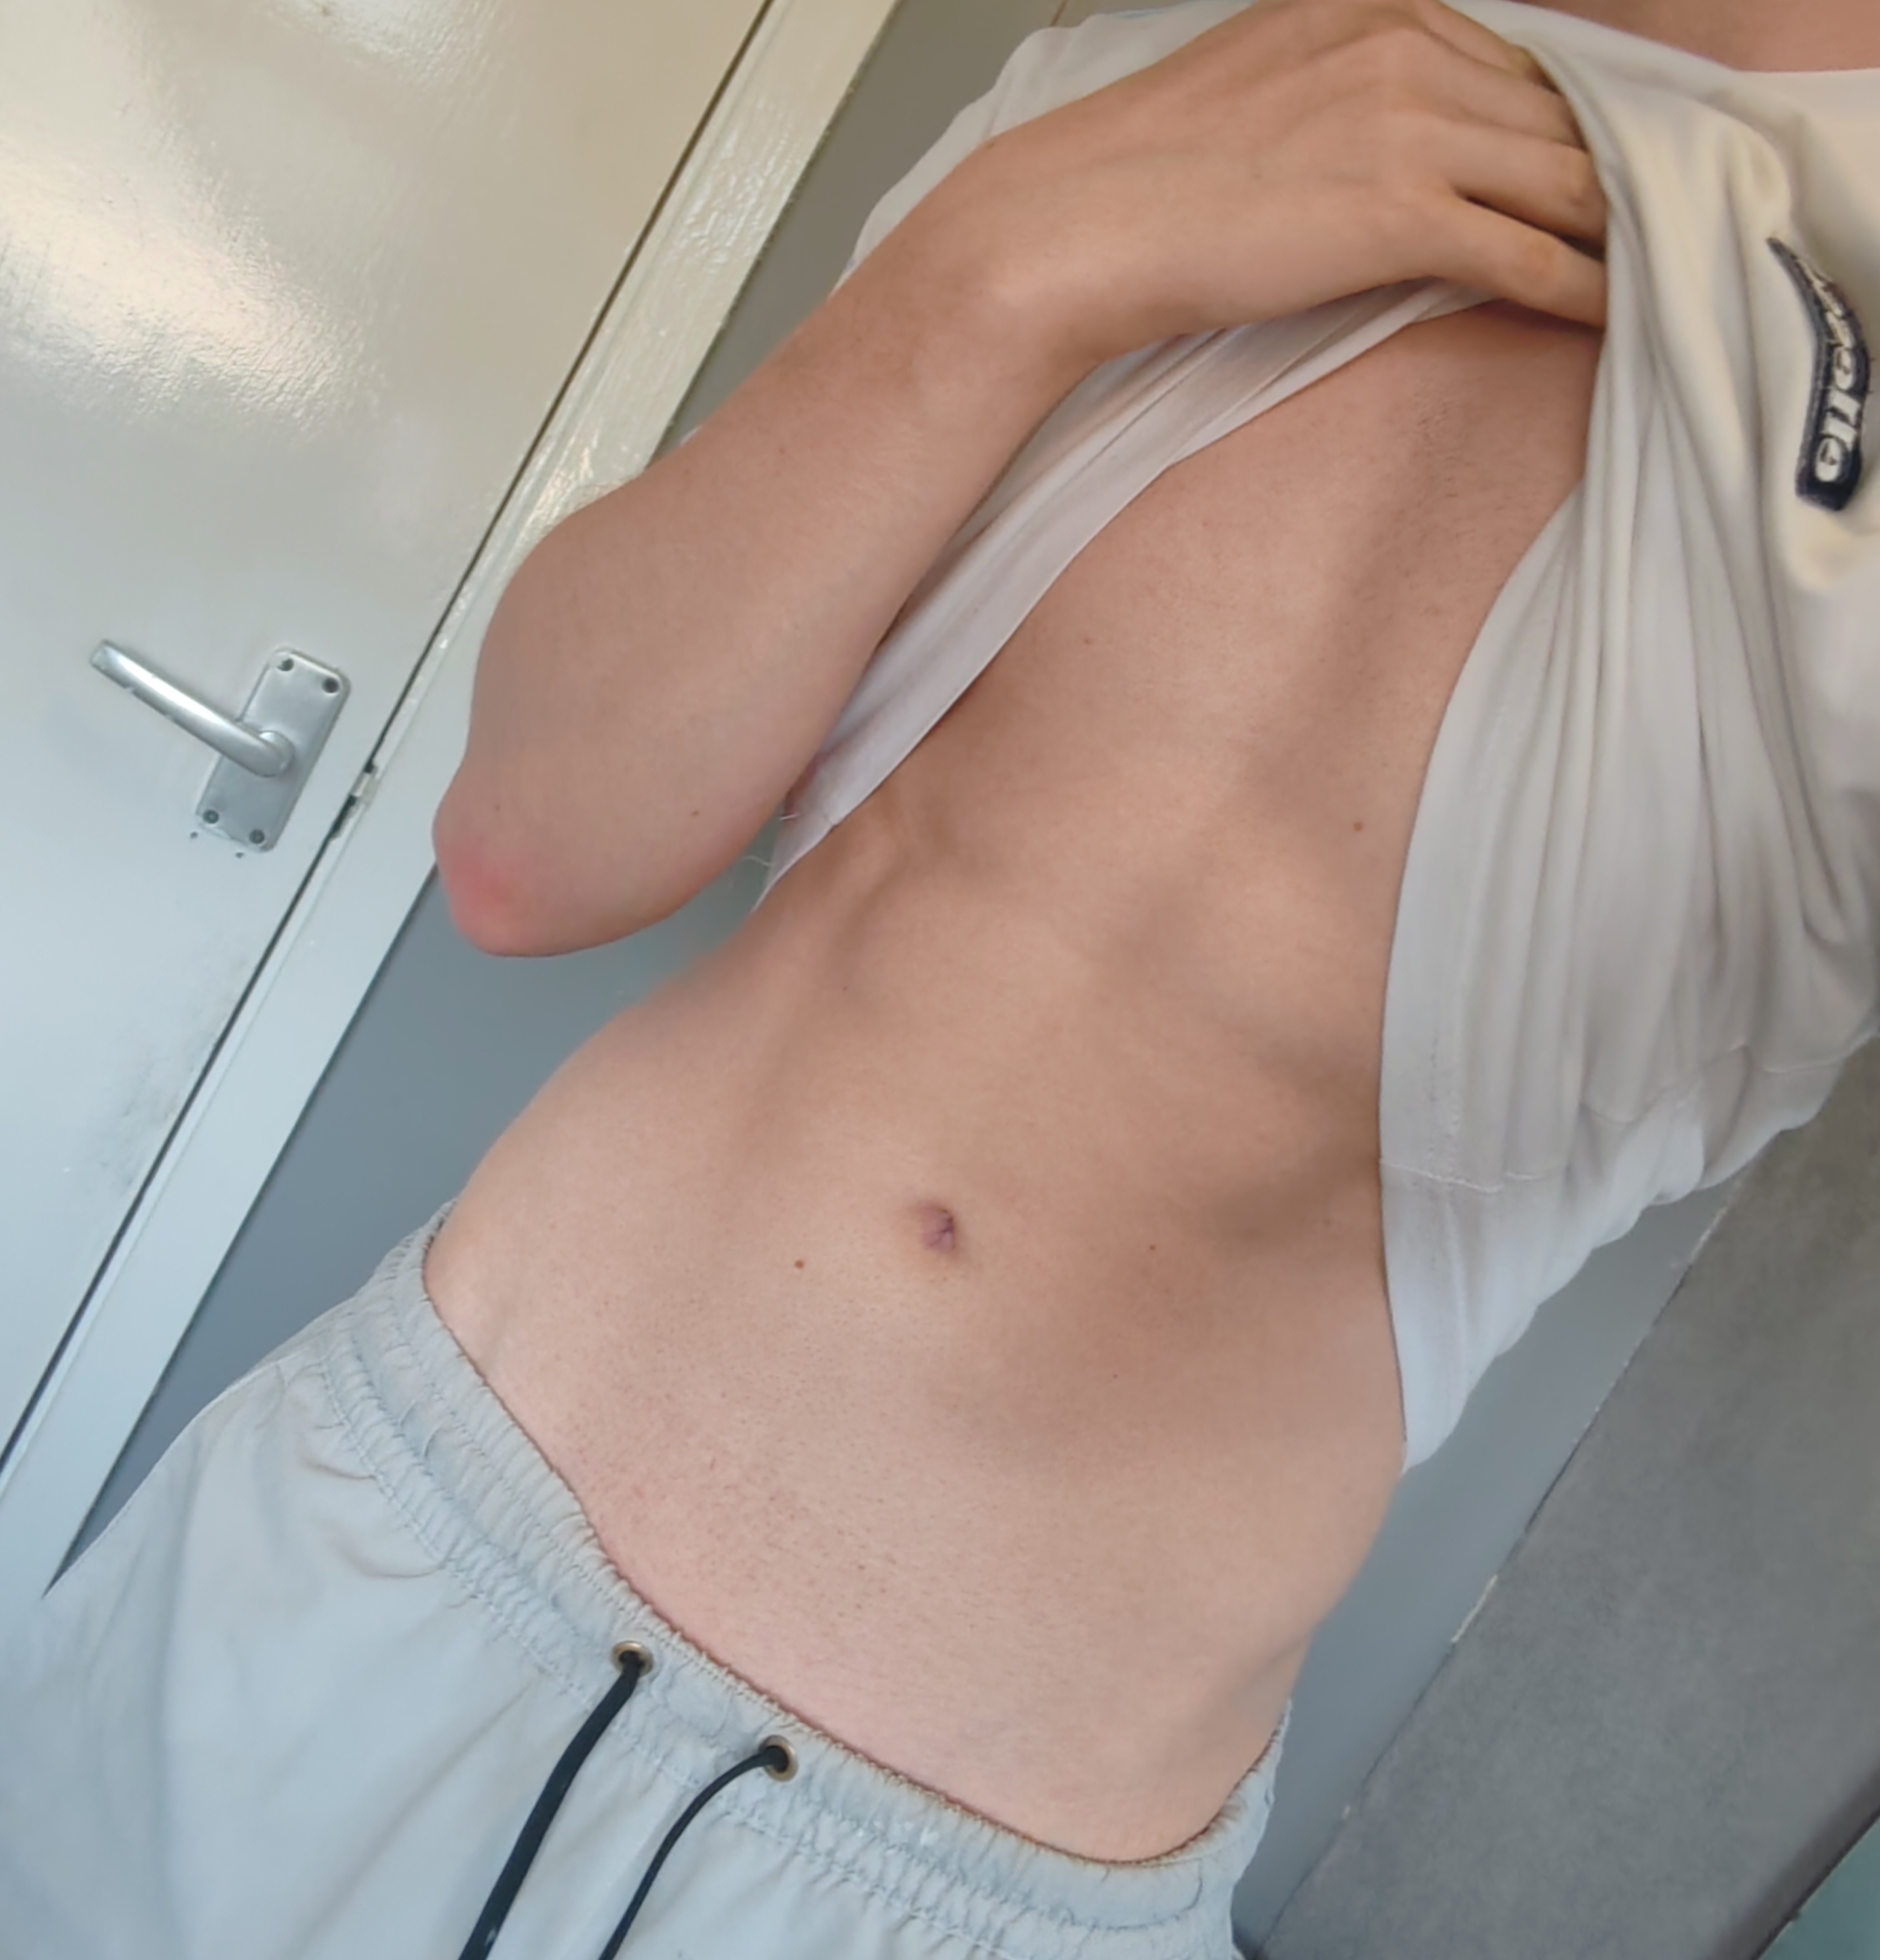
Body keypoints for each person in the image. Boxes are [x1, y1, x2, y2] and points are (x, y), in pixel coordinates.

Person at [3, 1, 1875, 1955]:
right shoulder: (1166, 78)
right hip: (340, 1589)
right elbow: (530, 844)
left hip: (935, 1893)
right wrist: (1007, 258)